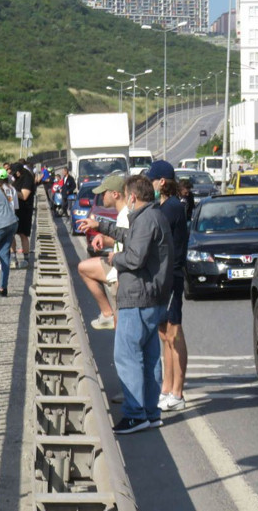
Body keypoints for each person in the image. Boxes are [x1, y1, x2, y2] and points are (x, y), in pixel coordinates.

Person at [108, 175, 173, 434]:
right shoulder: (154, 216)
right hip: (152, 298)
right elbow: (132, 237)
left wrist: (114, 258)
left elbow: (134, 258)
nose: (126, 201)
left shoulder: (145, 219)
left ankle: (135, 415)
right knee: (149, 358)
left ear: (132, 197)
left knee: (127, 356)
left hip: (138, 297)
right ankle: (150, 412)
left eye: (127, 197)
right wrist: (102, 226)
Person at [146, 161, 189, 412]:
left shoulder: (171, 207)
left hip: (171, 276)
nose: (149, 185)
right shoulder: (162, 206)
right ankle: (166, 389)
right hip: (162, 278)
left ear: (162, 182)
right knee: (164, 336)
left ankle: (178, 393)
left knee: (174, 334)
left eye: (151, 180)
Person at [76, 174, 130, 330]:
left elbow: (133, 244)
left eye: (103, 193)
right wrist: (105, 240)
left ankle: (109, 315)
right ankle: (107, 314)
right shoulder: (123, 213)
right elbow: (124, 238)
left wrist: (117, 257)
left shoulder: (126, 215)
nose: (101, 196)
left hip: (121, 273)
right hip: (118, 267)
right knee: (84, 267)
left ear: (115, 194)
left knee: (122, 330)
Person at [12, 163, 35, 268]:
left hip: (24, 210)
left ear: (18, 172)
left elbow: (24, 196)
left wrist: (11, 191)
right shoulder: (17, 178)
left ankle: (26, 259)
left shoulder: (27, 178)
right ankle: (13, 258)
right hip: (15, 210)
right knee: (11, 234)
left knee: (23, 235)